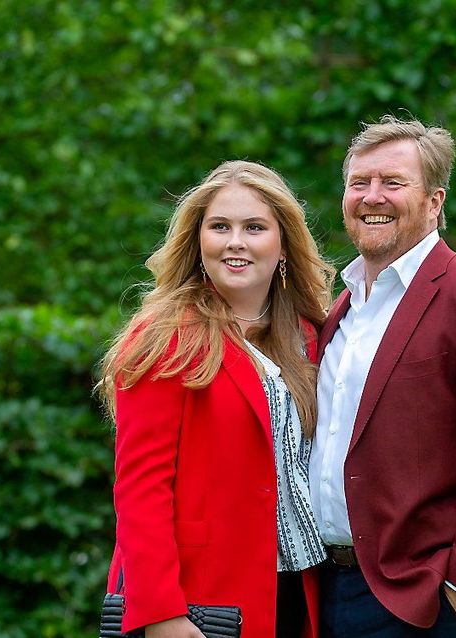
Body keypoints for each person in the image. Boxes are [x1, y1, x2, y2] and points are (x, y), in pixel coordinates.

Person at [310, 114, 456, 638]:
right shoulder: (342, 306)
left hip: (424, 605)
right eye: (359, 183)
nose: (372, 196)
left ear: (434, 201)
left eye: (393, 183)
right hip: (327, 590)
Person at [98, 160, 335, 638]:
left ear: (284, 244)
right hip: (203, 599)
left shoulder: (311, 335)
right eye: (220, 227)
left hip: (300, 590)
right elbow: (141, 490)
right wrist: (162, 613)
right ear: (198, 240)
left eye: (254, 227)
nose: (235, 242)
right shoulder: (165, 338)